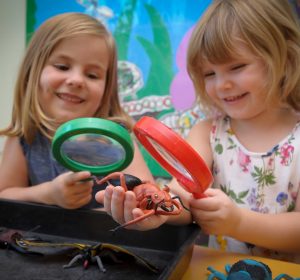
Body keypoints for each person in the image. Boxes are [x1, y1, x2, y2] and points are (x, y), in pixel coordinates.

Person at [96, 0, 300, 263]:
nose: (222, 84)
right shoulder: (207, 133)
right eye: (208, 73)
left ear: (285, 56)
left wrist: (238, 223)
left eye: (237, 67)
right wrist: (158, 212)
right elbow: (181, 197)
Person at [0, 12, 154, 209]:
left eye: (92, 74)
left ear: (107, 89)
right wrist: (48, 194)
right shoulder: (25, 134)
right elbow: (5, 194)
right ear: (33, 72)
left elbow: (146, 195)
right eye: (62, 66)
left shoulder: (117, 141)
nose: (76, 80)